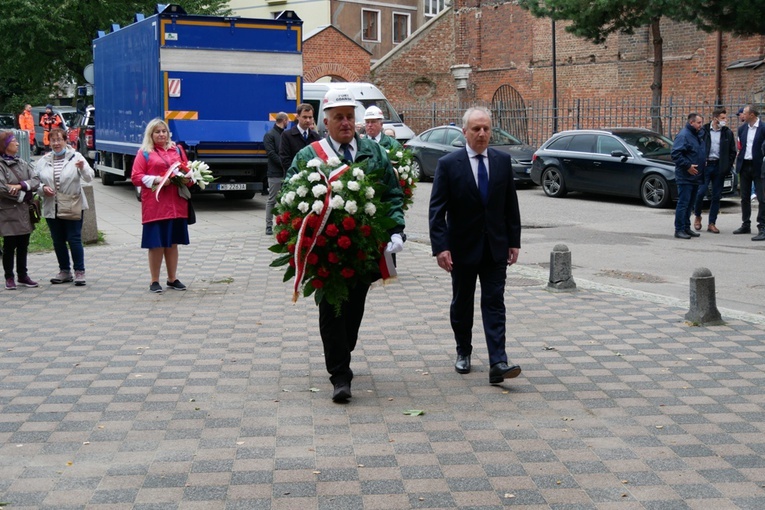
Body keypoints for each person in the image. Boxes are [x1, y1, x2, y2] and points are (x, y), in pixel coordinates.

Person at [286, 88, 405, 403]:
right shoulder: (309, 155)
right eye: (338, 117)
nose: (345, 122)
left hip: (365, 247)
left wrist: (396, 231)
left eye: (350, 117)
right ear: (326, 121)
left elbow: (392, 194)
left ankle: (344, 346)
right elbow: (289, 194)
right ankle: (340, 375)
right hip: (325, 249)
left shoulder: (373, 152)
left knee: (354, 307)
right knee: (331, 308)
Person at [428, 106, 523, 385]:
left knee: (494, 302)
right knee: (462, 303)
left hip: (495, 246)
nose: (482, 134)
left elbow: (510, 205)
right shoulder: (449, 164)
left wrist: (513, 241)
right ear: (465, 132)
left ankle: (498, 361)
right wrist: (441, 247)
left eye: (486, 129)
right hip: (462, 248)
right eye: (476, 129)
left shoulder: (502, 161)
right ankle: (463, 350)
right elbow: (437, 210)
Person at [130, 118, 191, 293]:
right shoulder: (144, 152)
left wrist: (189, 179)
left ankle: (172, 278)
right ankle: (154, 280)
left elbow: (187, 170)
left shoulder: (177, 150)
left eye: (164, 131)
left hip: (175, 205)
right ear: (151, 134)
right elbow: (136, 177)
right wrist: (158, 180)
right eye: (157, 132)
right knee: (156, 244)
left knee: (172, 243)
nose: (161, 134)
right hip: (155, 206)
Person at [36, 128, 95, 286]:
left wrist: (82, 167)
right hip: (51, 205)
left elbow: (89, 178)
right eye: (53, 140)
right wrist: (42, 189)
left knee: (74, 238)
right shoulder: (44, 160)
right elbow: (35, 181)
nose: (56, 143)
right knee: (58, 240)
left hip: (72, 203)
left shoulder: (76, 157)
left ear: (65, 141)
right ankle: (64, 271)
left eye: (59, 140)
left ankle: (79, 271)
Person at [0, 131, 41, 290]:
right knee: (10, 245)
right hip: (8, 212)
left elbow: (36, 180)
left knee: (24, 244)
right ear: (5, 145)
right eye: (14, 141)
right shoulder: (1, 165)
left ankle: (23, 275)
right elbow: (2, 188)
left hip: (24, 212)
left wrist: (20, 186)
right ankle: (9, 277)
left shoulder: (22, 162)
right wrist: (24, 195)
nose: (17, 143)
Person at [692, 108, 736, 234]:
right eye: (722, 118)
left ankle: (712, 223)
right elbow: (697, 146)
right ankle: (698, 215)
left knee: (716, 196)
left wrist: (727, 166)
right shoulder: (704, 130)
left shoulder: (727, 132)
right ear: (715, 118)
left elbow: (732, 151)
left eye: (725, 118)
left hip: (719, 166)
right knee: (700, 192)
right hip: (705, 165)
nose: (725, 121)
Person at [671, 113, 705, 240]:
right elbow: (675, 154)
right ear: (691, 123)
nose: (700, 125)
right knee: (683, 203)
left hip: (695, 176)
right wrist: (688, 166)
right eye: (698, 123)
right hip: (685, 175)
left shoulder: (696, 135)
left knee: (690, 203)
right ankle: (679, 229)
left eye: (701, 122)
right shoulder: (684, 135)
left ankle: (686, 227)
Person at [733, 105, 765, 240]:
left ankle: (762, 226)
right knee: (744, 197)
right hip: (745, 165)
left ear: (752, 115)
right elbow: (741, 147)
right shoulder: (742, 129)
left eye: (744, 113)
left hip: (759, 166)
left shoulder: (763, 128)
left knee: (762, 198)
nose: (742, 115)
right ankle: (745, 223)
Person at [264, 112, 288, 235]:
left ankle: (283, 224)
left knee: (285, 200)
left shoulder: (285, 135)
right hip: (275, 173)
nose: (288, 123)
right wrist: (283, 164)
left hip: (286, 173)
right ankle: (269, 225)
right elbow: (271, 153)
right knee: (272, 200)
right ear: (283, 120)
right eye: (287, 120)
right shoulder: (270, 135)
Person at [279, 103, 320, 173]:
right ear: (298, 117)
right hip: (294, 178)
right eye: (305, 117)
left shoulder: (315, 136)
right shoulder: (287, 135)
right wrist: (298, 175)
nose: (308, 120)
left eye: (310, 117)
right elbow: (285, 159)